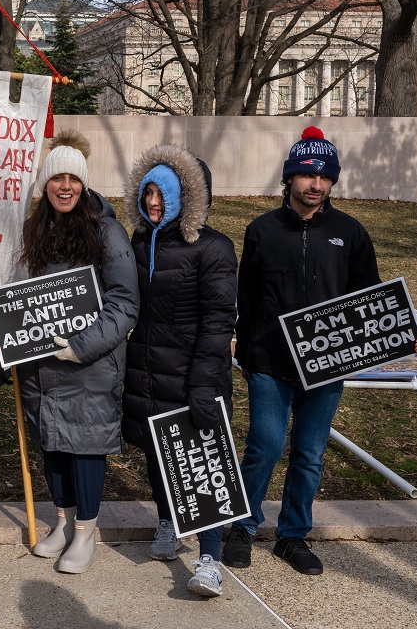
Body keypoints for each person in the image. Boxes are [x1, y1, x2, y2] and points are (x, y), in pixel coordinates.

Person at [222, 126, 417, 576]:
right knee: (264, 445)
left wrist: (407, 335)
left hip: (327, 366)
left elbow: (373, 301)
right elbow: (246, 296)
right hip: (270, 364)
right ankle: (242, 527)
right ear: (290, 178)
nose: (314, 184)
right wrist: (241, 346)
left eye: (323, 177)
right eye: (305, 175)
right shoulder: (261, 229)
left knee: (310, 452)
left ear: (332, 181)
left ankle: (293, 535)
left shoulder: (350, 232)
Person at [15, 131, 139, 574]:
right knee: (54, 443)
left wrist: (81, 346)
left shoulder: (106, 231)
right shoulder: (36, 229)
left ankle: (86, 530)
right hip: (43, 364)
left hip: (89, 364)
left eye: (73, 178)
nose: (64, 186)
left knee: (84, 446)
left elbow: (125, 302)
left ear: (84, 184)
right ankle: (63, 522)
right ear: (45, 183)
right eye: (56, 178)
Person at [122, 144, 236, 598]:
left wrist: (204, 385)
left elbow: (218, 323)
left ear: (186, 197)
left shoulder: (214, 248)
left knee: (204, 463)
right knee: (157, 454)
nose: (153, 202)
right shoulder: (138, 241)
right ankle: (168, 523)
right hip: (148, 368)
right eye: (147, 192)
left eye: (163, 194)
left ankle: (210, 558)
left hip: (194, 372)